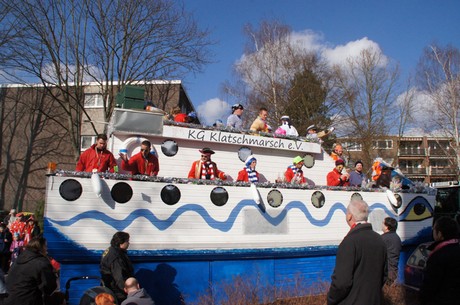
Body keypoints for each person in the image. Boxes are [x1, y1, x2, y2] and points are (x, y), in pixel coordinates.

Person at [327, 199, 387, 305]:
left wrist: (331, 299)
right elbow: (384, 274)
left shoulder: (349, 242)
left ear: (349, 216)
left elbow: (341, 282)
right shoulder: (380, 239)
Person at [4, 236, 57, 305]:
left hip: (11, 299)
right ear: (41, 248)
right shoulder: (41, 262)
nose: (47, 249)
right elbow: (49, 287)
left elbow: (9, 280)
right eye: (46, 246)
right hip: (29, 300)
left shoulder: (19, 259)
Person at [420, 216, 460, 305]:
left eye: (434, 229)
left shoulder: (438, 255)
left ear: (440, 234)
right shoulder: (456, 248)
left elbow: (429, 286)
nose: (432, 231)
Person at [100, 231, 134, 304]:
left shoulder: (111, 250)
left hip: (111, 289)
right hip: (117, 292)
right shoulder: (116, 256)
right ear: (121, 243)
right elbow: (119, 276)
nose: (129, 243)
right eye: (127, 241)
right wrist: (126, 290)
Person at [381, 217, 402, 284]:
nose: (381, 225)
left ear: (387, 227)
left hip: (386, 271)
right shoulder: (397, 238)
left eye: (383, 223)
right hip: (393, 270)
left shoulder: (383, 238)